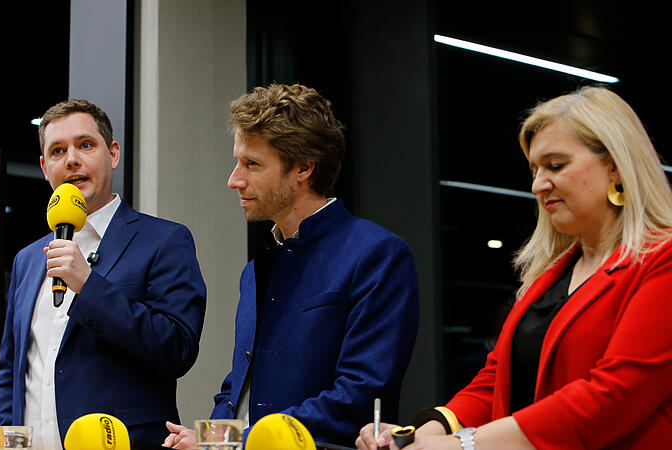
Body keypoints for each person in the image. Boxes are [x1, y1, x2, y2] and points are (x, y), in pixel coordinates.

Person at [357, 85, 672, 450]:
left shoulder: (662, 260)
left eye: (556, 165)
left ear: (615, 165)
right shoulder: (551, 276)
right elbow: (495, 381)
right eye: (534, 170)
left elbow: (614, 397)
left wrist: (463, 445)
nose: (538, 184)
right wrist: (424, 434)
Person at [163, 83, 420, 448]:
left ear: (303, 168)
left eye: (251, 164)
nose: (234, 179)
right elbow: (240, 389)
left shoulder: (378, 254)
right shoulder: (256, 270)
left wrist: (237, 443)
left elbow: (358, 396)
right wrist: (207, 439)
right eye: (238, 161)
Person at [0, 99, 207, 449]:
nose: (71, 159)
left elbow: (176, 348)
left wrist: (89, 286)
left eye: (85, 145)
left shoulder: (164, 240)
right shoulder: (27, 259)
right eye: (58, 151)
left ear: (113, 154)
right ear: (45, 168)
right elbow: (12, 370)